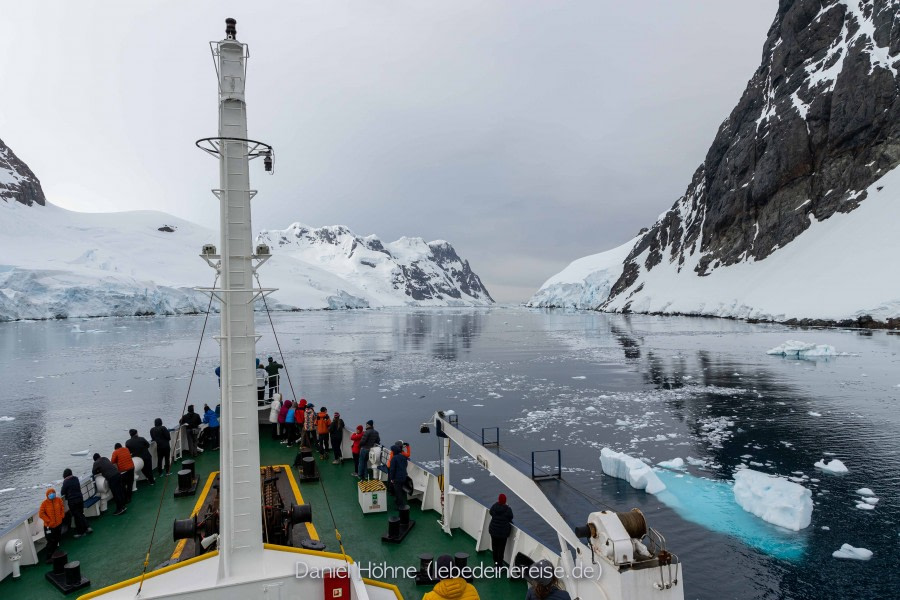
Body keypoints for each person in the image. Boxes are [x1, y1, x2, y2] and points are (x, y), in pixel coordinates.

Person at [60, 468, 92, 537]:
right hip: (80, 499)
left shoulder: (66, 482)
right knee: (81, 514)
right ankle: (87, 527)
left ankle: (81, 532)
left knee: (77, 516)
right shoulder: (76, 479)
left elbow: (62, 492)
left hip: (73, 501)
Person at [39, 488, 66, 562]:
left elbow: (62, 508)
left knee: (57, 539)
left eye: (53, 493)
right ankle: (48, 557)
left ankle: (54, 555)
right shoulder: (44, 503)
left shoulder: (58, 500)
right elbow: (41, 514)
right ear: (47, 495)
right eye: (50, 493)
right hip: (49, 526)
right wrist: (48, 520)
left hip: (58, 524)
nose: (52, 494)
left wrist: (62, 515)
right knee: (51, 542)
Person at [489, 493, 514, 568]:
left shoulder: (494, 506)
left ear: (499, 500)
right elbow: (511, 517)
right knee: (501, 549)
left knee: (495, 548)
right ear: (505, 501)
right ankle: (499, 566)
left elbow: (491, 512)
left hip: (493, 531)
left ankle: (495, 564)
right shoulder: (508, 509)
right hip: (502, 534)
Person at [388, 442, 409, 509]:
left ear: (394, 451)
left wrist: (392, 478)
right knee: (399, 490)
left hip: (397, 478)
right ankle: (397, 501)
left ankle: (400, 506)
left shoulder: (394, 458)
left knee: (398, 492)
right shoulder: (403, 457)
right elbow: (406, 465)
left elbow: (392, 469)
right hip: (404, 476)